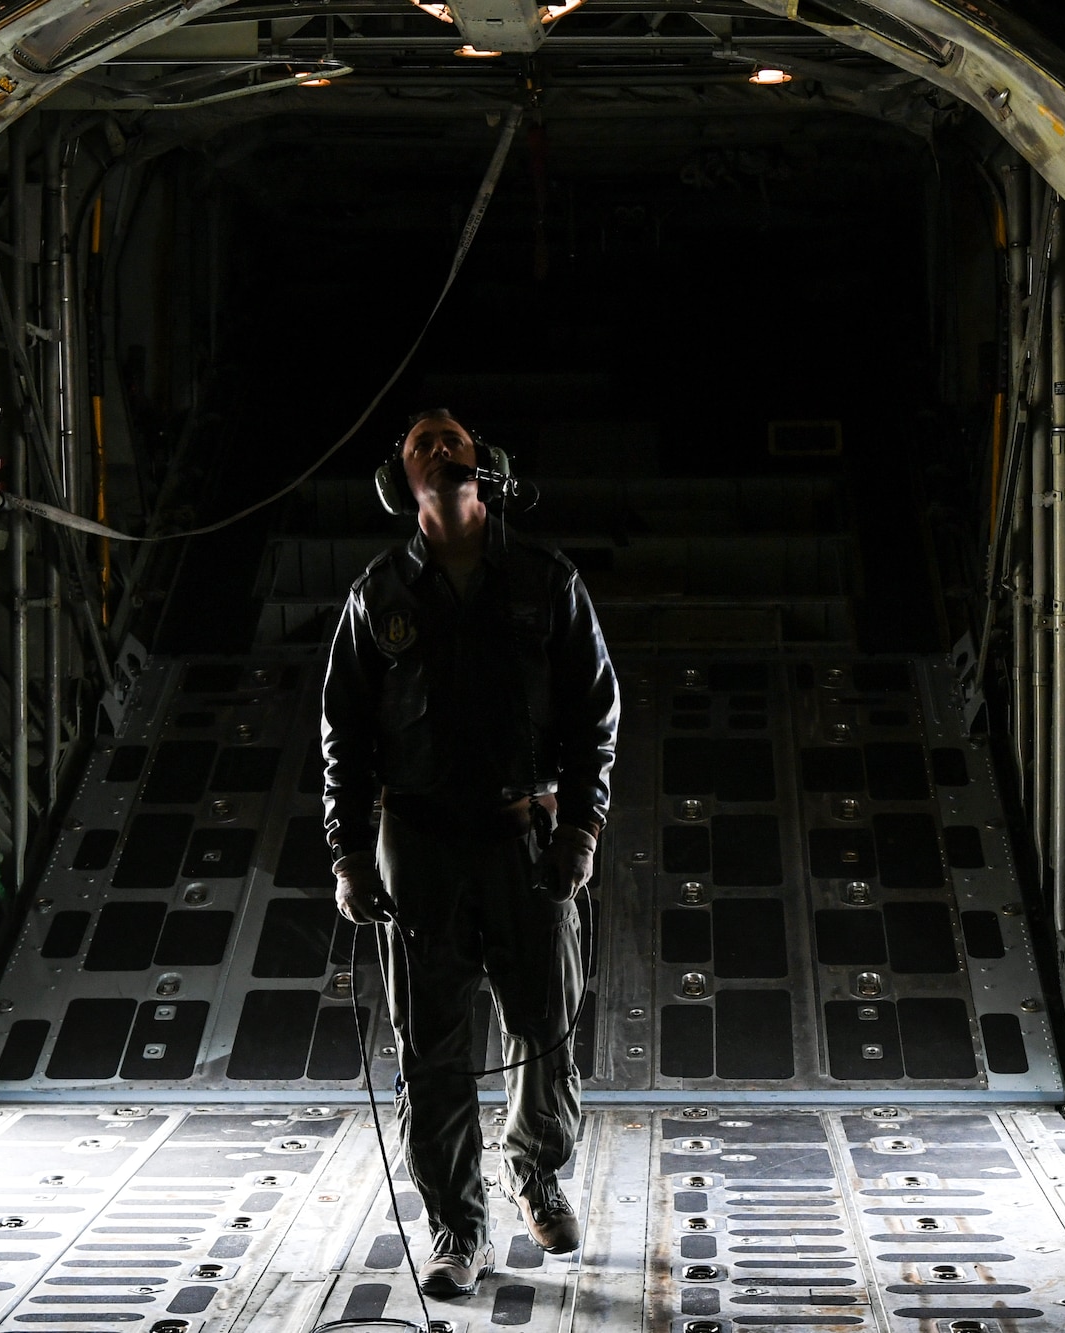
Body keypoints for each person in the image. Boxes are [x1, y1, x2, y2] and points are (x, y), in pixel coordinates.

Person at [321, 409, 620, 1297]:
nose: (443, 450)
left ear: (483, 465)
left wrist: (582, 831)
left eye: (454, 440)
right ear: (400, 482)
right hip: (419, 850)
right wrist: (347, 857)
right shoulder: (378, 597)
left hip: (524, 840)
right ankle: (457, 1225)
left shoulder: (545, 580)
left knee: (543, 1025)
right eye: (424, 444)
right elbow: (346, 738)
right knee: (434, 1049)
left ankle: (536, 1169)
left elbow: (593, 716)